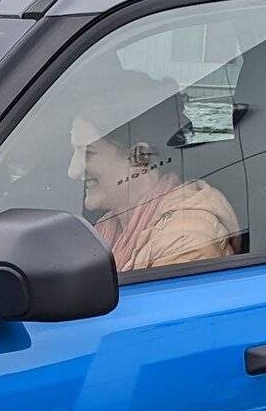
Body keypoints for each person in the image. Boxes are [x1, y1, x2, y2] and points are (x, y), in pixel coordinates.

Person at [67, 69, 240, 274]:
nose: (73, 171)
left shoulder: (185, 238)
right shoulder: (110, 226)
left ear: (141, 157)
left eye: (89, 153)